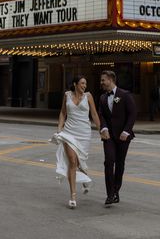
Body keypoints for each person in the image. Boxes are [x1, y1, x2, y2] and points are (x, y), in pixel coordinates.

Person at [52, 76, 101, 209]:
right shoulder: (67, 95)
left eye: (85, 84)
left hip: (84, 133)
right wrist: (59, 129)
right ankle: (73, 195)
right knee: (72, 162)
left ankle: (84, 177)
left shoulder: (88, 96)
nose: (84, 86)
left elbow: (95, 114)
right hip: (69, 132)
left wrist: (101, 130)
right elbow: (63, 112)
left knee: (79, 161)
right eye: (82, 83)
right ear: (75, 84)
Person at [98, 69, 137, 206]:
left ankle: (116, 191)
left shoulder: (125, 95)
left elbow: (132, 114)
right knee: (109, 162)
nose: (101, 82)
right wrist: (103, 128)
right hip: (108, 136)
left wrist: (126, 131)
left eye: (103, 80)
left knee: (120, 163)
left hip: (122, 137)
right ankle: (110, 194)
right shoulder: (103, 97)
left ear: (110, 80)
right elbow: (100, 115)